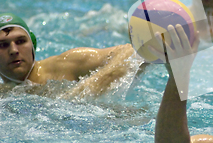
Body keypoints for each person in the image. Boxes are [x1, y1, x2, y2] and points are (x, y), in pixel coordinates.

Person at [0, 12, 139, 97]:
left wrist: (88, 89)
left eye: (21, 41)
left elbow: (129, 52)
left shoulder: (64, 66)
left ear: (33, 45)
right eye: (3, 45)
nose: (14, 50)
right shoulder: (4, 95)